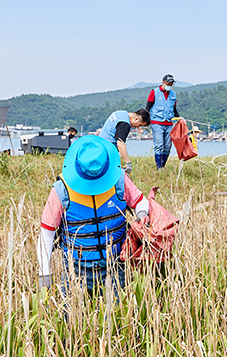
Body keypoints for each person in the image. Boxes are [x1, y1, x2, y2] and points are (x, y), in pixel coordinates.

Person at [37, 135, 149, 298]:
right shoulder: (62, 190)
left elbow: (141, 201)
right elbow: (47, 232)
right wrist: (44, 273)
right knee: (72, 318)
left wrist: (142, 214)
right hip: (76, 267)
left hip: (116, 264)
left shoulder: (120, 180)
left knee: (116, 317)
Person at [98, 109, 151, 175]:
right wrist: (128, 163)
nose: (138, 127)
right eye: (140, 125)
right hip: (107, 151)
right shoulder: (124, 124)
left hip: (100, 145)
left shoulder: (121, 113)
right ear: (136, 119)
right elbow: (120, 143)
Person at [146, 74, 179, 169]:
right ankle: (159, 167)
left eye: (171, 84)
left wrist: (179, 118)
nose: (170, 85)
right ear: (163, 83)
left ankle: (163, 166)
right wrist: (147, 120)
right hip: (157, 122)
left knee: (168, 146)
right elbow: (148, 107)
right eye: (168, 83)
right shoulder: (154, 92)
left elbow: (174, 108)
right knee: (159, 145)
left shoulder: (173, 94)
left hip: (169, 122)